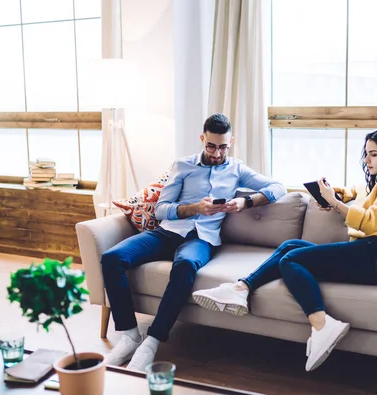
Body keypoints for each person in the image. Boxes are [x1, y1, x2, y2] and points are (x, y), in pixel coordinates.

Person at [192, 128, 377, 372]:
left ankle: (322, 324)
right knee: (290, 246)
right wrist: (337, 195)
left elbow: (374, 221)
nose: (367, 160)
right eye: (366, 154)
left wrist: (335, 203)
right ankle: (241, 288)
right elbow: (360, 194)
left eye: (373, 155)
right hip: (369, 252)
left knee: (291, 260)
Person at [102, 113, 286, 371]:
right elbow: (160, 210)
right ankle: (131, 335)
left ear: (230, 142)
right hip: (168, 232)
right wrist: (194, 208)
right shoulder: (183, 166)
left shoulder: (236, 169)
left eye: (223, 147)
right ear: (202, 139)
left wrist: (246, 201)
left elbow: (279, 187)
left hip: (202, 238)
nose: (217, 153)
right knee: (111, 258)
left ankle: (153, 341)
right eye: (211, 146)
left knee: (186, 265)